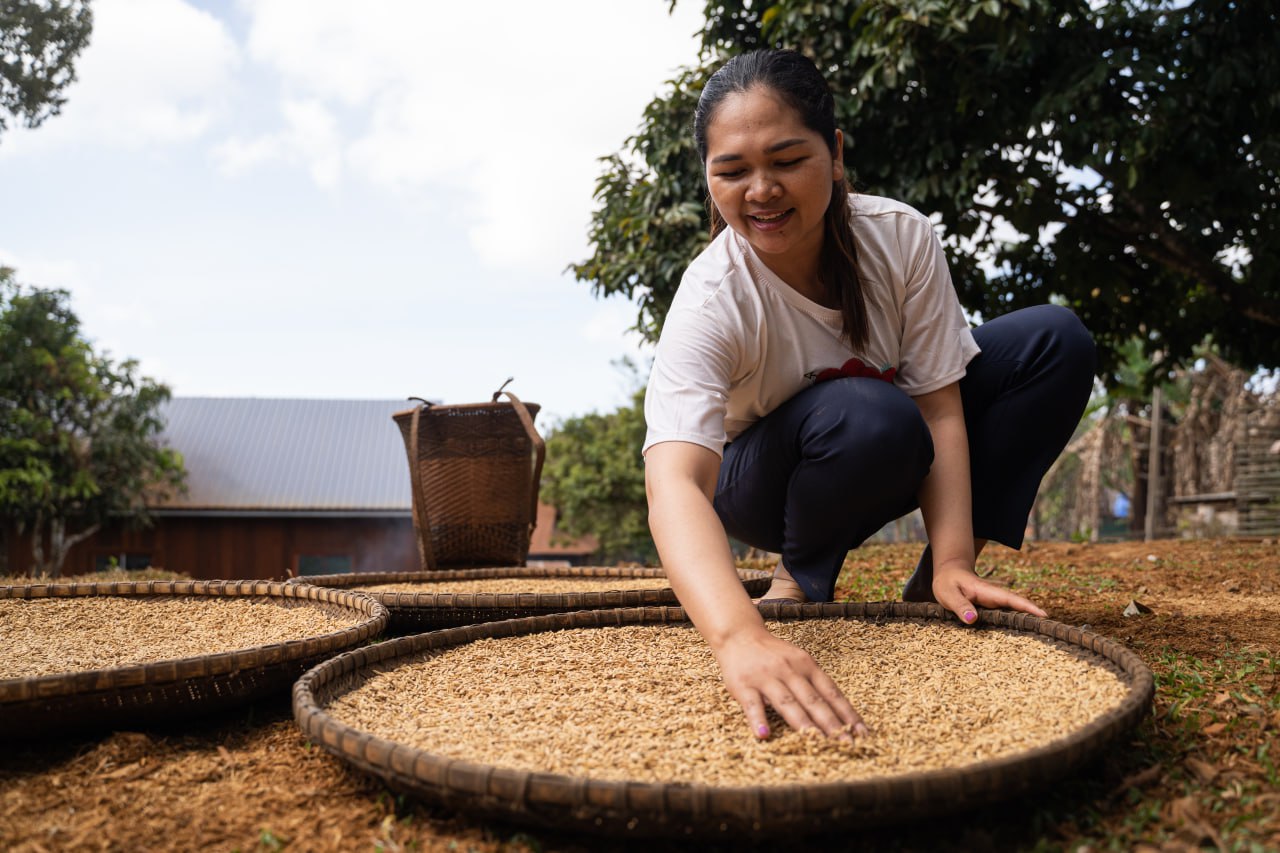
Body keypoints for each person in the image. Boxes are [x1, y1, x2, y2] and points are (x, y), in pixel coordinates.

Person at [642, 48, 1096, 742]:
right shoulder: (712, 296)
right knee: (868, 409)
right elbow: (675, 479)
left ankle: (937, 589)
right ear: (708, 178)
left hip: (885, 441)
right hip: (760, 482)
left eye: (787, 159)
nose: (760, 189)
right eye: (732, 171)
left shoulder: (900, 238)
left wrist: (952, 559)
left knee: (1052, 340)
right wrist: (738, 634)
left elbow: (942, 406)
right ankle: (800, 580)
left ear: (835, 152)